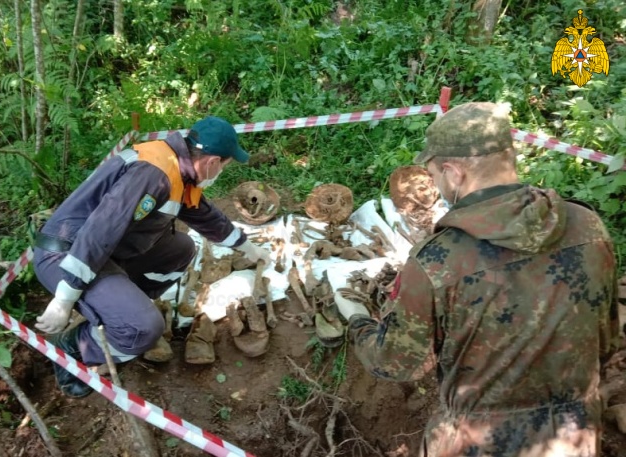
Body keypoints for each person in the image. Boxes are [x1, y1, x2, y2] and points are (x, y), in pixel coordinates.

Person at [332, 102, 621, 456]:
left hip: (475, 443)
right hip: (573, 436)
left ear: (453, 173)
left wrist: (356, 319)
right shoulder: (588, 227)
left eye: (435, 176)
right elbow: (606, 339)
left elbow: (398, 363)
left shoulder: (438, 260)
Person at [33, 116, 271, 398]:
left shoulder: (177, 170)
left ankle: (120, 309)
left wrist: (248, 248)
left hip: (101, 254)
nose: (222, 170)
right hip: (67, 256)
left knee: (181, 248)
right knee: (144, 329)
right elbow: (99, 232)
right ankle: (74, 345)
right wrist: (64, 299)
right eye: (225, 165)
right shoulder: (154, 172)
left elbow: (205, 216)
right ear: (212, 162)